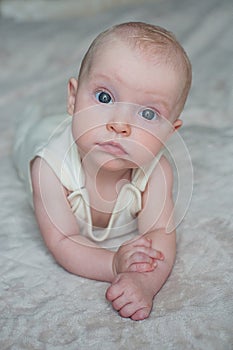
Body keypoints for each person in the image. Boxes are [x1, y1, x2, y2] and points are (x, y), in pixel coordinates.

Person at [14, 22, 192, 321]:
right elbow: (64, 240)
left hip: (84, 131)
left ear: (169, 133)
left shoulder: (157, 171)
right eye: (104, 97)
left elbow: (159, 233)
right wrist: (113, 264)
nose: (120, 124)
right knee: (27, 134)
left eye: (148, 114)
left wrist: (145, 281)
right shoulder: (49, 169)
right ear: (73, 98)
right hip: (40, 138)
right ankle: (32, 122)